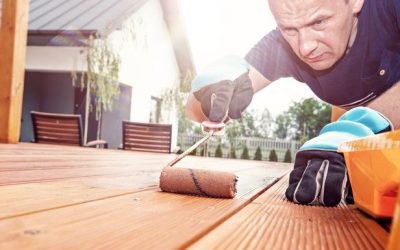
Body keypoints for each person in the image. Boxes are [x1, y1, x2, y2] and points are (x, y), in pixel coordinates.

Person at [186, 0, 399, 206]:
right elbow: (194, 111)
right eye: (289, 29)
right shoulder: (282, 46)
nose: (305, 48)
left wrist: (358, 131)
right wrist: (208, 92)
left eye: (319, 22)